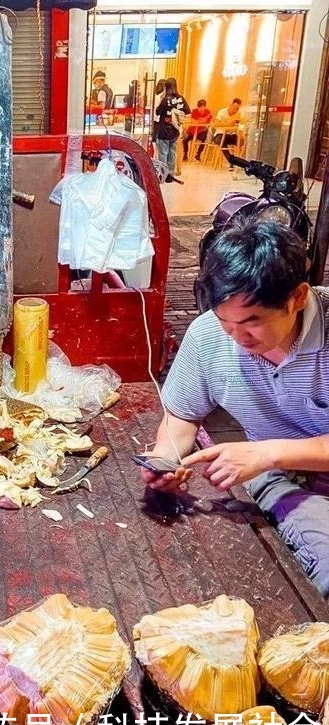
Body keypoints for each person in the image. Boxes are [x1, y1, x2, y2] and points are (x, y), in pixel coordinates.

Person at [140, 221, 329, 595]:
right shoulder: (208, 336)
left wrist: (267, 452)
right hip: (285, 477)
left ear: (297, 297)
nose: (237, 339)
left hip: (269, 458)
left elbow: (262, 454)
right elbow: (182, 414)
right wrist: (167, 459)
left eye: (251, 323)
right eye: (225, 322)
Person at [155, 78, 190, 182]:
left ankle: (162, 175)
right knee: (172, 152)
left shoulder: (166, 99)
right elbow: (188, 112)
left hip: (164, 130)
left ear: (166, 87)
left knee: (163, 153)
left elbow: (158, 112)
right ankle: (170, 175)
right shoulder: (181, 99)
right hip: (175, 130)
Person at [213, 98, 245, 166]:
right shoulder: (222, 112)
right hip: (219, 134)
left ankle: (239, 162)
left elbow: (240, 124)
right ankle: (231, 160)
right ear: (230, 105)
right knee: (221, 141)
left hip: (231, 135)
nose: (235, 110)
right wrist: (228, 124)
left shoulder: (238, 114)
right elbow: (216, 124)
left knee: (241, 141)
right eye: (234, 108)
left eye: (237, 109)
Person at [151, 79, 166, 146]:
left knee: (155, 137)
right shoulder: (161, 97)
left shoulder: (156, 96)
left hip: (155, 118)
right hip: (160, 119)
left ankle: (155, 154)